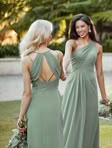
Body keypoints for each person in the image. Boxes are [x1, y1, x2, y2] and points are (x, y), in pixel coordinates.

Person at [62, 14, 110, 148]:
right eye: (77, 27)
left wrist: (104, 96)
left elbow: (100, 73)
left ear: (89, 26)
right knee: (72, 119)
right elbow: (66, 58)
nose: (80, 30)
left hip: (90, 86)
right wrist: (63, 69)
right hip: (74, 84)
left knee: (89, 121)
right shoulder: (71, 43)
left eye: (82, 26)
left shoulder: (98, 47)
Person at [17, 19, 65, 148]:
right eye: (50, 33)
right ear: (44, 35)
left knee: (37, 140)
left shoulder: (26, 60)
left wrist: (21, 117)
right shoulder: (58, 55)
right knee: (56, 138)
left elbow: (27, 93)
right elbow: (63, 77)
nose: (51, 36)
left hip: (36, 105)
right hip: (54, 103)